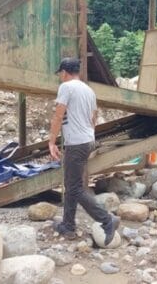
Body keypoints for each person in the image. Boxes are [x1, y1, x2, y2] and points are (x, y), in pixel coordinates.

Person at [48, 57, 120, 245]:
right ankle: (68, 225)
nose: (60, 77)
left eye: (60, 74)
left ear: (64, 72)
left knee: (74, 187)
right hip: (87, 140)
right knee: (71, 183)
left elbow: (58, 115)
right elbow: (94, 117)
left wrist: (51, 142)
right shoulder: (88, 90)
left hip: (77, 143)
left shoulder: (66, 87)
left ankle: (106, 220)